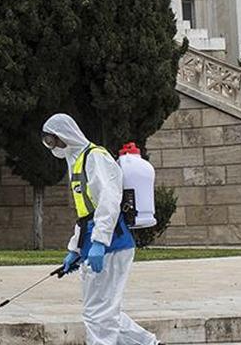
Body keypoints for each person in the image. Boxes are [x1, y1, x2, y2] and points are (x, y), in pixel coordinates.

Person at [41, 113, 160, 345]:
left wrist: (99, 242)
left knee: (98, 313)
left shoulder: (95, 157)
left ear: (64, 135)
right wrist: (75, 250)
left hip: (111, 244)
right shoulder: (77, 161)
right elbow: (86, 215)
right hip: (98, 242)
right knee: (104, 311)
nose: (52, 146)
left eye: (53, 140)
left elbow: (109, 200)